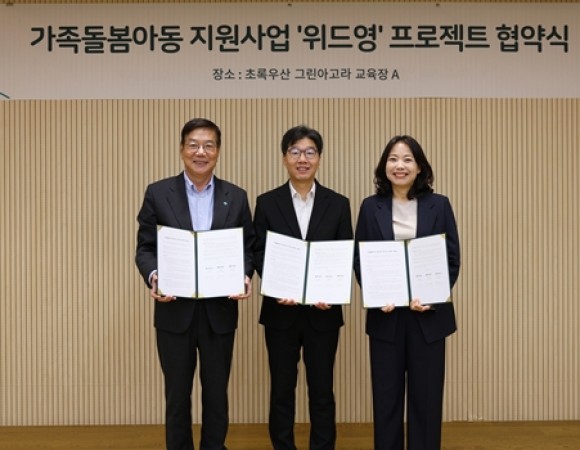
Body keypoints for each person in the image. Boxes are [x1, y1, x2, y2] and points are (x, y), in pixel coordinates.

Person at [135, 118, 255, 450]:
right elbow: (145, 248)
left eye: (208, 145)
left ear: (218, 151)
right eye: (193, 145)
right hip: (174, 311)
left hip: (219, 311)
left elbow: (248, 248)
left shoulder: (236, 196)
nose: (200, 152)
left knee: (217, 394)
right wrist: (154, 275)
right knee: (177, 395)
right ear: (182, 149)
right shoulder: (158, 193)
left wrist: (245, 275)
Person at [354, 135, 461, 450]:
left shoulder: (439, 205)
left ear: (419, 167)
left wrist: (431, 295)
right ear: (384, 166)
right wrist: (376, 294)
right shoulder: (370, 206)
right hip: (386, 316)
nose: (399, 165)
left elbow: (451, 259)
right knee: (386, 400)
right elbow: (360, 259)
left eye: (407, 159)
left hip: (428, 317)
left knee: (426, 402)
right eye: (393, 159)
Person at [253, 125, 353, 450]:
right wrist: (275, 285)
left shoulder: (338, 204)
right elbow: (258, 251)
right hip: (280, 312)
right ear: (285, 158)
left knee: (322, 390)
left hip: (323, 313)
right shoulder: (267, 202)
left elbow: (344, 254)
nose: (302, 159)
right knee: (282, 390)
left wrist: (332, 292)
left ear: (319, 158)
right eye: (295, 152)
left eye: (310, 152)